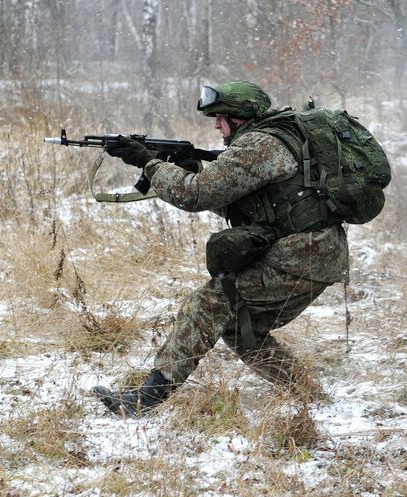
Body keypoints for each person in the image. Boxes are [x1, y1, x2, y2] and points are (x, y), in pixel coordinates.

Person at [93, 81, 349, 416]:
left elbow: (194, 196)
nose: (216, 125)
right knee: (240, 325)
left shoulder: (260, 145)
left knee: (209, 303)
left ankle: (145, 400)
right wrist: (190, 169)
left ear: (240, 117)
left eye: (221, 118)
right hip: (317, 255)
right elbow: (245, 204)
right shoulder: (275, 138)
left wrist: (151, 164)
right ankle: (307, 394)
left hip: (301, 256)